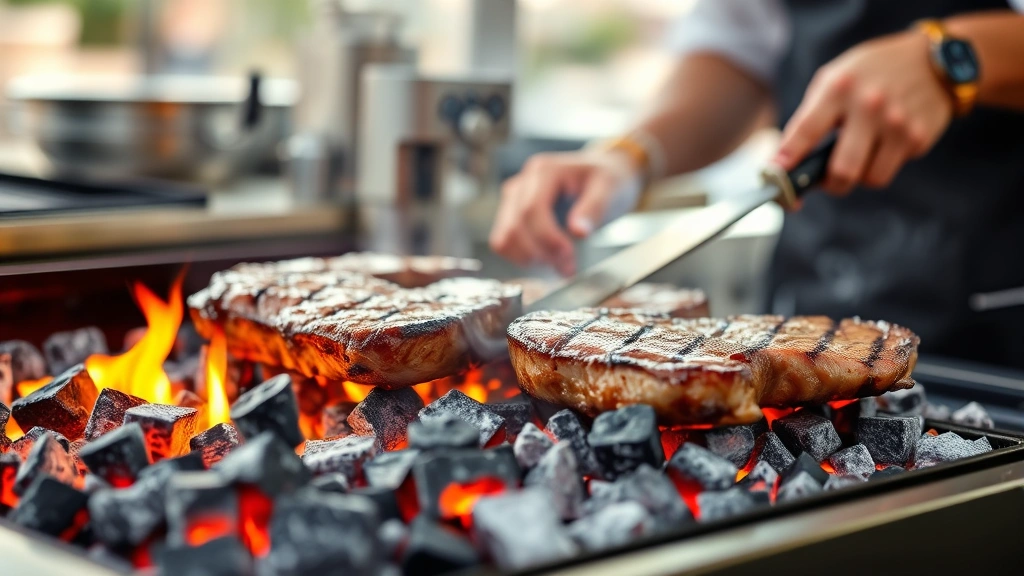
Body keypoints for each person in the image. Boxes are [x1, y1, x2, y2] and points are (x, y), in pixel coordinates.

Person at [490, 1, 1024, 367]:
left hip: (999, 314)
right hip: (815, 295)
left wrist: (954, 60)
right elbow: (737, 49)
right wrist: (628, 156)